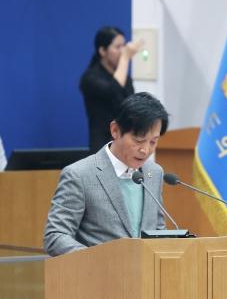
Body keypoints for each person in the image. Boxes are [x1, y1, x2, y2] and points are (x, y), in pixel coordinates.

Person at [44, 92, 169, 257]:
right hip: (98, 272)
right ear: (115, 130)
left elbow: (158, 231)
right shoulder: (79, 175)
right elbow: (56, 235)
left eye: (153, 141)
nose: (145, 150)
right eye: (139, 140)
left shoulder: (155, 173)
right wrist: (98, 261)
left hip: (145, 272)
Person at [80, 25, 143, 153]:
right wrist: (125, 58)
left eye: (123, 46)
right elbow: (113, 92)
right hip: (102, 145)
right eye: (117, 47)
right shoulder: (90, 77)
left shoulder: (125, 78)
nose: (123, 51)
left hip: (125, 142)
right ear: (103, 51)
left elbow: (131, 107)